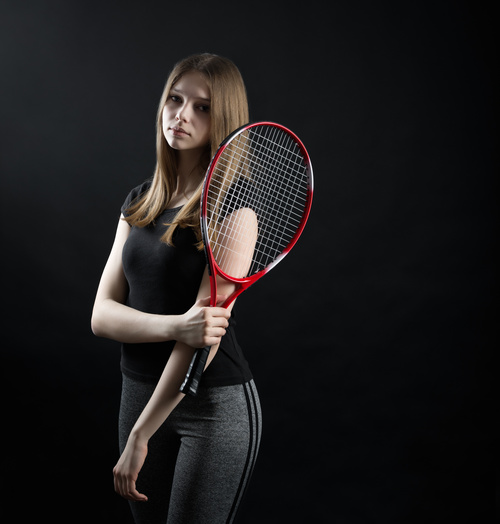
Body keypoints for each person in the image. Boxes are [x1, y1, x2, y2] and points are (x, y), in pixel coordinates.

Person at [91, 53, 262, 524]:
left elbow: (201, 341)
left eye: (202, 107)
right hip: (138, 391)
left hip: (210, 407)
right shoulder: (140, 201)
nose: (181, 114)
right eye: (175, 98)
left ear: (224, 118)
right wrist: (176, 325)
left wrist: (141, 435)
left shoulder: (235, 211)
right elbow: (101, 316)